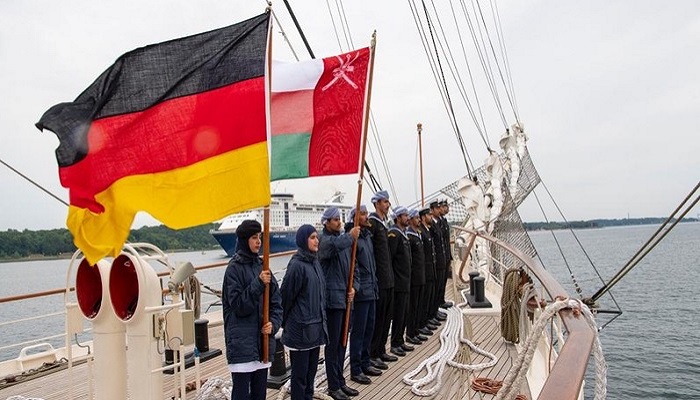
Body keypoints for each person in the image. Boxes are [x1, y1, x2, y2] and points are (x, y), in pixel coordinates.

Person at [222, 220, 283, 400]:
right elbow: (238, 306)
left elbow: (276, 302)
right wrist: (258, 283)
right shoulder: (233, 270)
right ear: (244, 240)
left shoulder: (263, 267)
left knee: (259, 393)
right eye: (254, 237)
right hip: (242, 344)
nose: (259, 242)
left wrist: (273, 325)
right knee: (241, 393)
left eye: (260, 237)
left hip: (262, 341)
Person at [280, 225, 328, 400]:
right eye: (313, 237)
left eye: (317, 237)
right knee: (299, 378)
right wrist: (285, 323)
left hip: (314, 331)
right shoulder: (297, 266)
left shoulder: (315, 262)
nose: (317, 240)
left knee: (310, 375)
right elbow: (285, 297)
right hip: (300, 331)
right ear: (303, 240)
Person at [318, 207, 360, 400]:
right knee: (333, 344)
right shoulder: (324, 241)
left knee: (343, 343)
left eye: (339, 219)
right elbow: (332, 247)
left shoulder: (343, 242)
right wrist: (351, 236)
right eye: (334, 220)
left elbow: (354, 266)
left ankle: (340, 381)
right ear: (326, 222)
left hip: (346, 299)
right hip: (333, 302)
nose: (338, 222)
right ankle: (333, 386)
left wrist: (354, 288)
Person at [346, 205, 381, 385]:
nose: (367, 217)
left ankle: (366, 362)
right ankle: (356, 369)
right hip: (361, 292)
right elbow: (353, 267)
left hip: (372, 288)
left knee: (369, 328)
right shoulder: (353, 238)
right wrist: (357, 287)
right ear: (355, 217)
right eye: (363, 214)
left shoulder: (367, 236)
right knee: (358, 332)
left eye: (367, 213)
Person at [367, 190, 397, 370]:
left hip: (388, 278)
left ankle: (381, 350)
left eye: (388, 202)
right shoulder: (372, 224)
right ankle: (372, 353)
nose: (387, 205)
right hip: (379, 279)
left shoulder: (383, 224)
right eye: (384, 202)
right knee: (378, 319)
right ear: (377, 203)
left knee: (386, 317)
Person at [387, 206, 413, 357]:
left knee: (403, 313)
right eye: (405, 215)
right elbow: (390, 258)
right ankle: (395, 344)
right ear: (398, 217)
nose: (407, 218)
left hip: (405, 281)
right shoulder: (394, 234)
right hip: (398, 282)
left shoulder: (402, 234)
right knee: (398, 314)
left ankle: (400, 340)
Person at [405, 209, 428, 345]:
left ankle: (415, 331)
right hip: (413, 278)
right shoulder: (410, 237)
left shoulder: (417, 235)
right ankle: (410, 333)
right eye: (416, 218)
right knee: (412, 307)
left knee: (418, 304)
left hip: (421, 276)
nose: (418, 220)